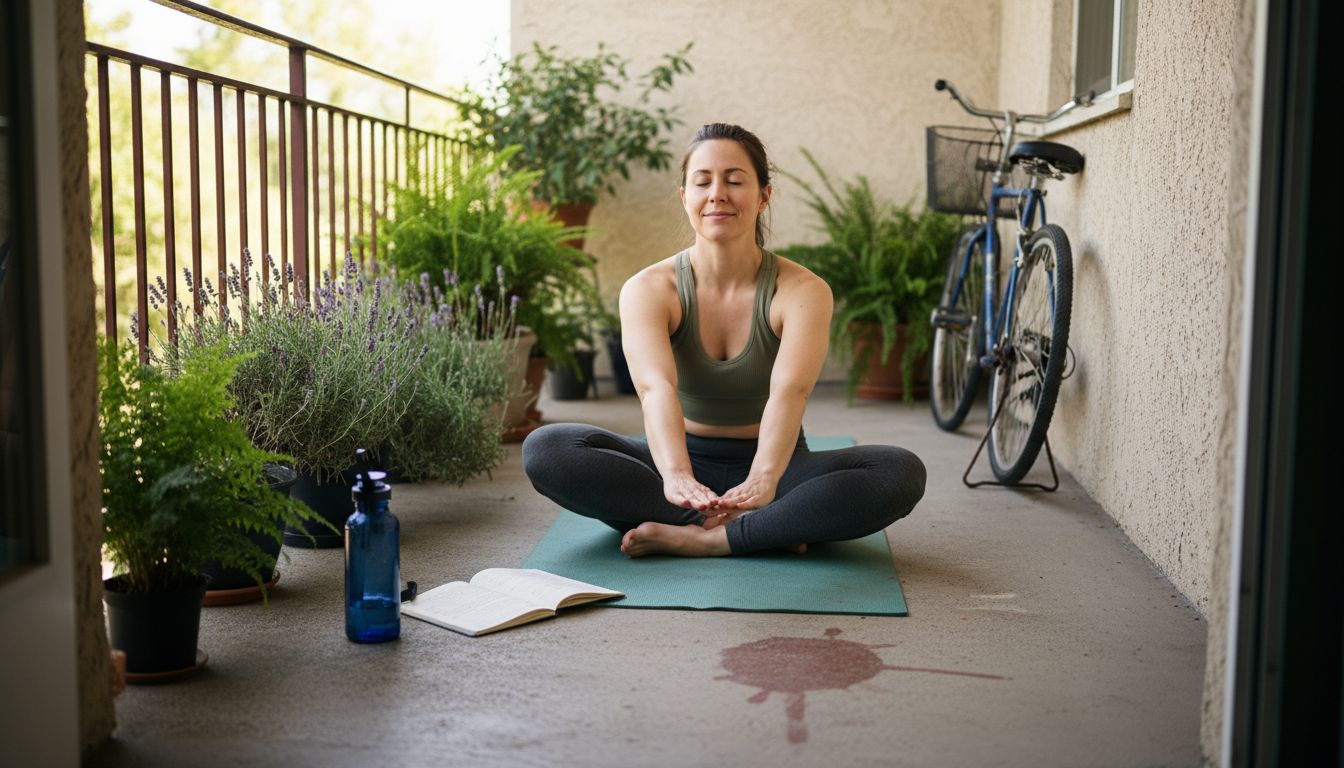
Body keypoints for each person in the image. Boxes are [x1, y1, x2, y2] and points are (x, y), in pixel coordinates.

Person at [523, 123, 925, 557]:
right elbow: (654, 388)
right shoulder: (650, 288)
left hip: (779, 464)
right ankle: (754, 529)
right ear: (685, 198)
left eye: (735, 181)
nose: (717, 194)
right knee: (548, 448)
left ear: (764, 195)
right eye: (702, 182)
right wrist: (676, 477)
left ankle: (712, 539)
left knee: (899, 472)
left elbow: (791, 392)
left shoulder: (802, 290)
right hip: (677, 458)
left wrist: (764, 479)